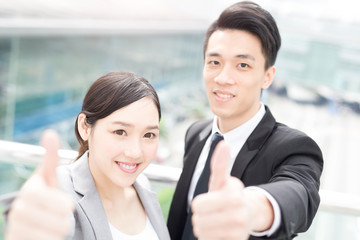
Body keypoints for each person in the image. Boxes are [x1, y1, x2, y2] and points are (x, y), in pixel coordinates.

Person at [167, 1, 323, 240]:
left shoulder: (293, 148)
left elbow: (299, 194)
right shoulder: (196, 134)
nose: (223, 78)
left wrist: (251, 209)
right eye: (214, 62)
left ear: (267, 77)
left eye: (242, 65)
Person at [5, 71, 171, 240]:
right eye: (120, 132)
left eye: (149, 135)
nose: (135, 152)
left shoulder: (143, 186)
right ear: (85, 127)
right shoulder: (61, 194)